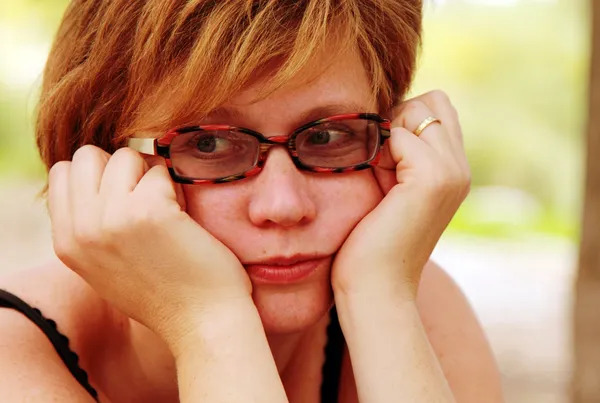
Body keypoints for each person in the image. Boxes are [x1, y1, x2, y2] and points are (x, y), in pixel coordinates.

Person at [0, 1, 504, 402]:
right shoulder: (12, 361)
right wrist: (206, 322)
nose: (284, 206)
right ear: (100, 167)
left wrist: (383, 300)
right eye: (209, 145)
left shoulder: (399, 293)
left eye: (327, 136)